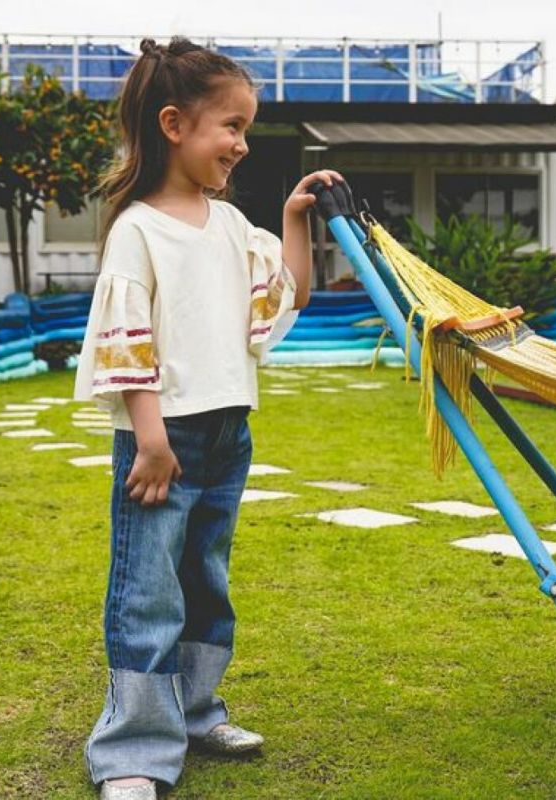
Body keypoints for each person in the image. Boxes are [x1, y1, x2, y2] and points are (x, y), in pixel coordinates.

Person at [74, 35, 344, 800]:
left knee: (205, 582)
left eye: (244, 128)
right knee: (147, 593)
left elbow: (291, 293)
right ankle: (132, 751)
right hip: (164, 440)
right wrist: (151, 441)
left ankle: (195, 712)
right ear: (174, 125)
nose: (242, 143)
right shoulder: (138, 230)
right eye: (231, 125)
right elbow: (127, 339)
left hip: (229, 434)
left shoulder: (228, 225)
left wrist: (293, 218)